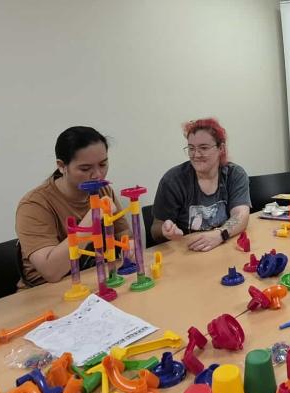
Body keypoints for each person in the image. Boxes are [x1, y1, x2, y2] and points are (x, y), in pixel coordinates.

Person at [15, 126, 129, 287]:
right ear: (62, 166)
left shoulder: (103, 190)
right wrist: (91, 221)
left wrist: (129, 247)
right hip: (45, 290)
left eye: (103, 164)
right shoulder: (34, 205)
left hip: (93, 280)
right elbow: (51, 272)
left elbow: (124, 234)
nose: (98, 175)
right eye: (85, 168)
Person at [151, 118, 250, 252]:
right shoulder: (172, 180)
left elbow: (241, 215)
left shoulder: (234, 174)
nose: (196, 155)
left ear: (221, 148)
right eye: (191, 148)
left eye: (203, 148)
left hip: (223, 248)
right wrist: (165, 230)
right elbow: (155, 229)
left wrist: (220, 235)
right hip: (186, 252)